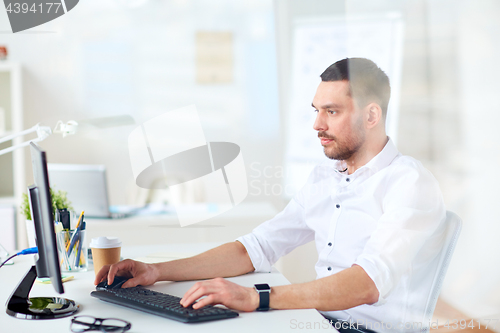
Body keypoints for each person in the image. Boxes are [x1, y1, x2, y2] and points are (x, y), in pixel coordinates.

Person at [95, 58, 446, 332]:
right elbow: (257, 247)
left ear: (372, 115)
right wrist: (156, 271)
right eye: (316, 110)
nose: (317, 125)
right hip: (316, 321)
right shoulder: (326, 177)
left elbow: (368, 282)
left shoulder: (409, 183)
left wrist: (255, 297)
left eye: (332, 111)